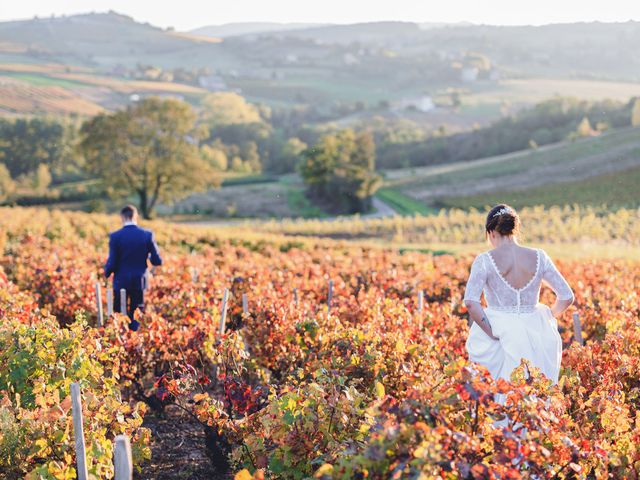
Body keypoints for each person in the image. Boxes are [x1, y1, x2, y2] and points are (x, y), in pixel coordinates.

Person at [463, 204, 574, 386]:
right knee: (536, 394)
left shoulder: (484, 261)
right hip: (536, 332)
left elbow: (471, 302)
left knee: (499, 393)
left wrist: (491, 332)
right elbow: (567, 296)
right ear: (515, 229)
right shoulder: (540, 256)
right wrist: (546, 316)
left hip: (500, 331)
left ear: (490, 232)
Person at [105, 205, 162, 331]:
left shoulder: (115, 236)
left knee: (119, 311)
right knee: (137, 312)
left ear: (122, 217)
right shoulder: (147, 235)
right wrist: (149, 260)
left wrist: (106, 273)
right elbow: (157, 260)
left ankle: (121, 338)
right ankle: (135, 340)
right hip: (140, 280)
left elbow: (112, 261)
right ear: (136, 216)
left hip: (121, 280)